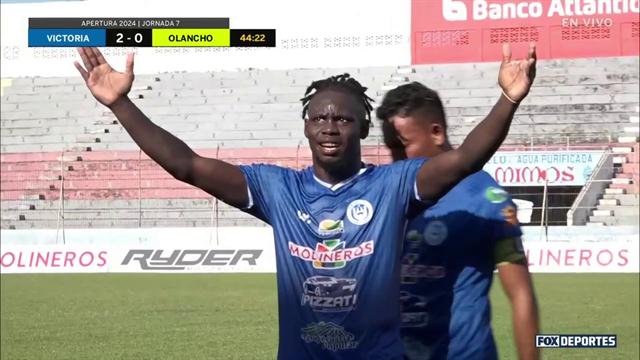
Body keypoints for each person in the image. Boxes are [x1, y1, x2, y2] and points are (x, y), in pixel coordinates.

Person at [73, 43, 536, 359]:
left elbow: (465, 160)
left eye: (344, 119)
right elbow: (187, 166)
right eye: (319, 118)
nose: (330, 127)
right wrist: (120, 105)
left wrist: (507, 100)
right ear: (306, 126)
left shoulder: (393, 186)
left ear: (362, 127)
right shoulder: (277, 189)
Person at [377, 81, 540, 360]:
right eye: (390, 148)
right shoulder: (387, 194)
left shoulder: (487, 200)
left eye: (403, 146)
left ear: (437, 133)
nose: (396, 158)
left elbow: (521, 296)